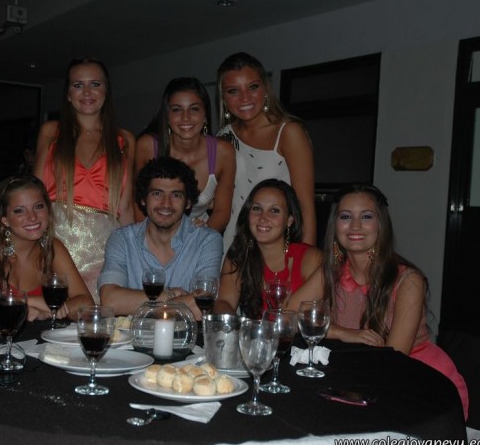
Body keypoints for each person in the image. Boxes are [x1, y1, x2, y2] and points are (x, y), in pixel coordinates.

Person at [288, 183, 469, 418]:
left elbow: (392, 360)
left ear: (381, 225)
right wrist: (343, 333)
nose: (355, 226)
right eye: (345, 217)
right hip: (356, 380)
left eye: (366, 216)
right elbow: (286, 318)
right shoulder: (330, 273)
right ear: (335, 225)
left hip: (420, 384)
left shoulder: (408, 281)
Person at [33, 57, 135, 303]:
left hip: (105, 251)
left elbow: (125, 208)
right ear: (68, 94)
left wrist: (134, 260)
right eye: (78, 85)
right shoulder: (50, 132)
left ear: (106, 91)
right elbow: (34, 195)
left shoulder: (125, 140)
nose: (87, 92)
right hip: (55, 244)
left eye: (95, 84)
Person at [99, 156, 223, 318]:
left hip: (183, 335)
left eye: (176, 195)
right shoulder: (121, 239)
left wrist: (134, 302)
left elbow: (200, 307)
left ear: (188, 202)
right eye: (157, 194)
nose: (166, 204)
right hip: (132, 335)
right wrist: (169, 295)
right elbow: (110, 301)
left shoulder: (207, 241)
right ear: (143, 199)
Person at [216, 52, 316, 252]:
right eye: (233, 91)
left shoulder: (289, 132)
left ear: (266, 88)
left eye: (253, 87)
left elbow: (305, 207)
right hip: (230, 248)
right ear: (224, 98)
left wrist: (305, 261)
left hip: (276, 249)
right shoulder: (223, 136)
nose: (245, 98)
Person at [0, 175, 92, 322]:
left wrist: (42, 310)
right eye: (19, 211)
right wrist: (34, 304)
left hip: (38, 336)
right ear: (4, 219)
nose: (32, 217)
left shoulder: (52, 247)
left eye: (38, 206)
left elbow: (86, 303)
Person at [135, 77, 235, 232]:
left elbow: (222, 212)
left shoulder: (223, 152)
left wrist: (201, 237)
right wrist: (152, 240)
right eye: (177, 109)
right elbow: (138, 205)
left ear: (205, 115)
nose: (186, 117)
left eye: (194, 109)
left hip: (200, 234)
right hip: (153, 234)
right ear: (167, 116)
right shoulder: (148, 146)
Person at [215, 179, 321, 319]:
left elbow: (313, 318)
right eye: (257, 209)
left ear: (289, 220)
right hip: (255, 333)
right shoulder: (240, 254)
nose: (263, 218)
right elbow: (224, 302)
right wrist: (233, 325)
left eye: (274, 210)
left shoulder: (310, 258)